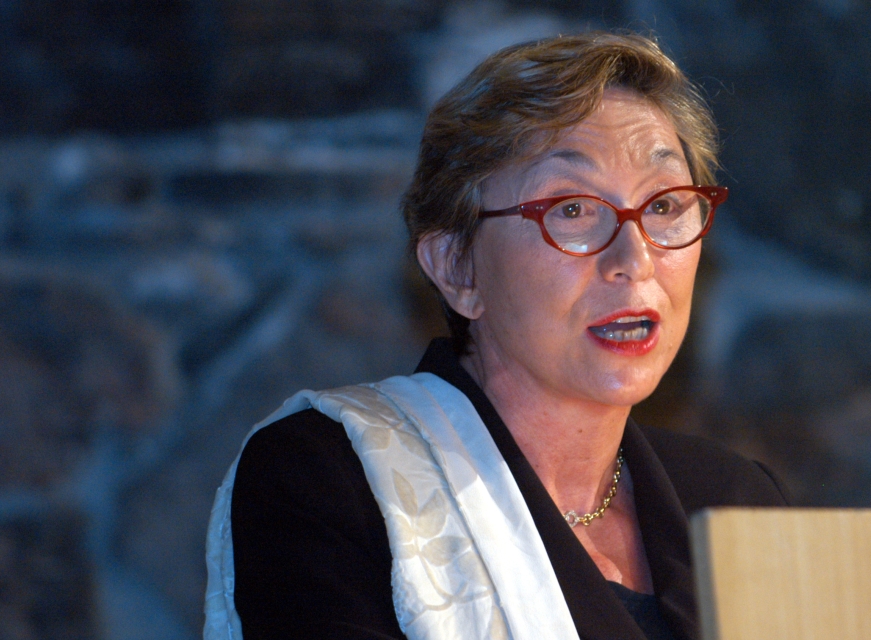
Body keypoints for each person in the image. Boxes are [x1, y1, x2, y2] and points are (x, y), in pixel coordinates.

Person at [204, 32, 788, 640]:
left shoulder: (735, 501)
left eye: (666, 205)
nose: (634, 256)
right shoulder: (332, 479)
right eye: (572, 209)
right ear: (458, 267)